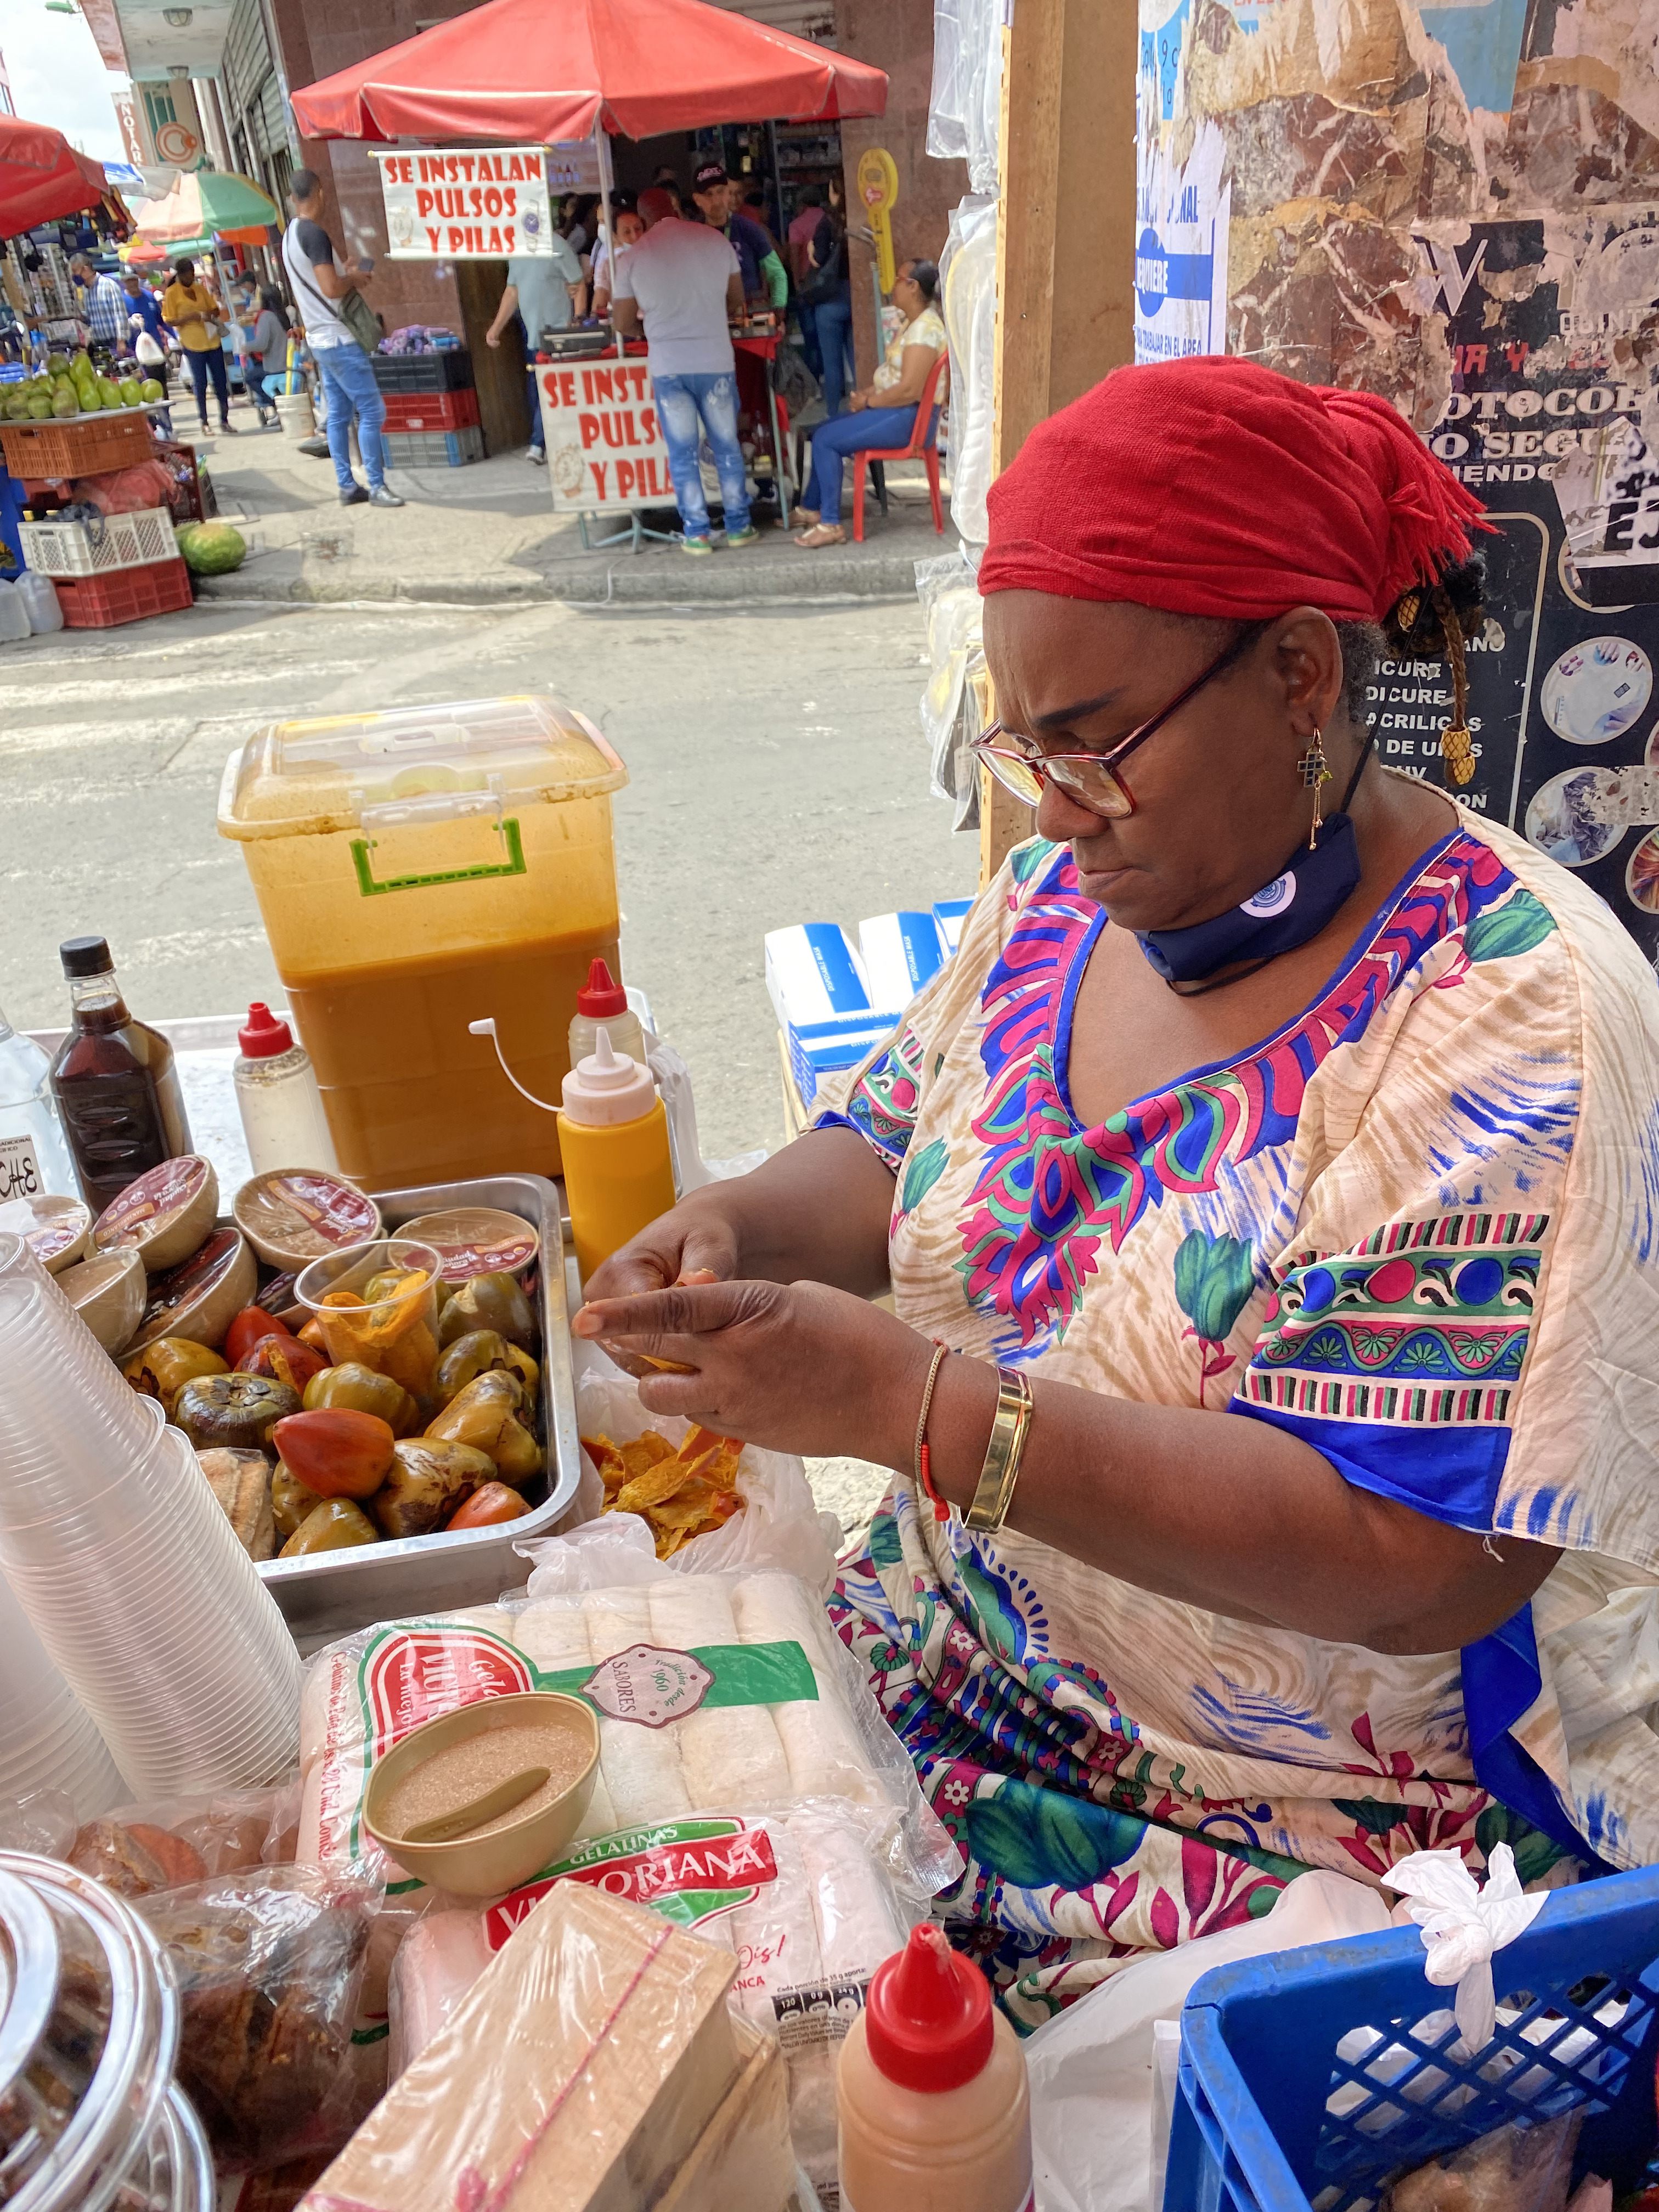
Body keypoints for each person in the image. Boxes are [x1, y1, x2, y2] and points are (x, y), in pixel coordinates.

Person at [572, 353, 1659, 2023]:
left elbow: (1422, 1558)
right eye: (1025, 751)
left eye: (1096, 748)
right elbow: (891, 1143)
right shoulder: (1057, 908)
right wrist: (737, 1226)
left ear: (1299, 676)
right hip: (933, 1664)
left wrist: (919, 1411)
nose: (1058, 814)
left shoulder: (1511, 1020)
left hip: (1261, 1827)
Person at [609, 185, 757, 556]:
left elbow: (623, 322)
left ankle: (697, 533)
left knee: (683, 454)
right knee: (727, 446)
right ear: (676, 207)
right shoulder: (715, 241)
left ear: (643, 219)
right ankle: (739, 526)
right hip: (716, 361)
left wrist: (652, 329)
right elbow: (737, 299)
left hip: (669, 366)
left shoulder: (632, 258)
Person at [793, 258, 945, 548]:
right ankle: (812, 508)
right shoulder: (914, 324)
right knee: (825, 430)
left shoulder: (925, 330)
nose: (892, 287)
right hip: (900, 412)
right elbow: (896, 378)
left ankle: (831, 524)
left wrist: (870, 402)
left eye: (898, 280)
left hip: (909, 419)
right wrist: (865, 394)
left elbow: (910, 389)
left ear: (913, 287)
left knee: (827, 440)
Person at [280, 168, 403, 509]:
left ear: (293, 198)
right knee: (372, 411)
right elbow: (332, 288)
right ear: (320, 193)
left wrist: (342, 271)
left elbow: (317, 282)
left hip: (320, 340)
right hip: (339, 339)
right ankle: (377, 486)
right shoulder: (314, 234)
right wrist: (353, 278)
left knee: (338, 414)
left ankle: (347, 486)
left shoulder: (289, 236)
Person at [486, 239, 586, 465]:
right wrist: (496, 328)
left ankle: (538, 444)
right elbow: (513, 291)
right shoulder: (516, 250)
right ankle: (546, 442)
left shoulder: (558, 247)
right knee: (537, 389)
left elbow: (578, 284)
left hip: (559, 335)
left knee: (550, 389)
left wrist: (578, 324)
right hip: (533, 335)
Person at [690, 162, 783, 313]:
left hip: (749, 312)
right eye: (708, 194)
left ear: (728, 193)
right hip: (708, 314)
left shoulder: (748, 229)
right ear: (697, 199)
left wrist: (778, 310)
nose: (717, 201)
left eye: (721, 192)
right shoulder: (690, 236)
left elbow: (777, 272)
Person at [161, 258, 236, 435]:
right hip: (193, 344)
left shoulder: (199, 288)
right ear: (180, 275)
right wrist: (191, 317)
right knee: (200, 383)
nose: (191, 278)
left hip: (212, 340)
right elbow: (169, 320)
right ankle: (204, 421)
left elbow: (215, 309)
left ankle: (224, 420)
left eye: (192, 274)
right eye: (188, 275)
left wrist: (209, 313)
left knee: (221, 381)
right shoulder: (172, 293)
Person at [798, 188, 854, 419]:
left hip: (830, 301)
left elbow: (819, 260)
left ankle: (833, 415)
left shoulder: (828, 221)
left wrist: (811, 252)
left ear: (835, 192)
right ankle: (863, 412)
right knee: (858, 360)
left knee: (832, 365)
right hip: (854, 296)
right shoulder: (858, 217)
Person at [245, 288, 291, 427]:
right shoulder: (283, 313)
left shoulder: (266, 317)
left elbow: (261, 344)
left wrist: (245, 347)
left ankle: (276, 406)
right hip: (287, 362)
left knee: (251, 378)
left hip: (275, 367)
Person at [591, 207, 644, 319]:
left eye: (638, 229)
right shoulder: (608, 266)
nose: (635, 236)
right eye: (627, 232)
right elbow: (600, 303)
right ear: (615, 236)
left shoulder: (657, 258)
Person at [72, 253, 128, 354]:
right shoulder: (86, 291)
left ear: (85, 269)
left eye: (75, 272)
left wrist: (121, 341)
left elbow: (120, 314)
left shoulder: (109, 285)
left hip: (115, 341)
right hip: (99, 344)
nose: (74, 276)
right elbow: (91, 318)